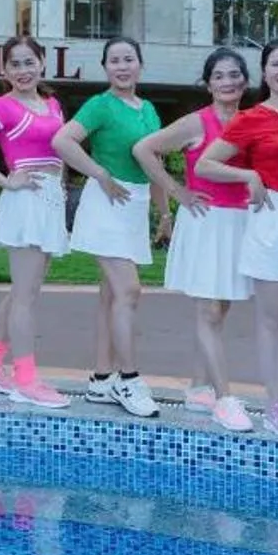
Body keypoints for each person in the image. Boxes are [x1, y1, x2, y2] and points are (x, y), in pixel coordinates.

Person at [193, 40, 278, 440]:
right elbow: (206, 164)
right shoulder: (252, 118)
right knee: (271, 318)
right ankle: (273, 405)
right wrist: (248, 176)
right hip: (273, 219)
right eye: (276, 64)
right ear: (265, 72)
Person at [139, 48, 255, 430]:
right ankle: (225, 397)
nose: (228, 81)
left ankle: (198, 387)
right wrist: (177, 193)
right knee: (208, 311)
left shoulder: (251, 121)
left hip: (241, 223)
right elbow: (144, 149)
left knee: (220, 311)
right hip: (206, 222)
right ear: (209, 83)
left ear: (245, 80)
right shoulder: (196, 122)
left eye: (235, 74)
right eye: (219, 75)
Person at [0, 37, 71, 409]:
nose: (23, 71)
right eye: (15, 64)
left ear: (42, 63)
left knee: (25, 291)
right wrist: (6, 180)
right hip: (24, 203)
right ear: (4, 71)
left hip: (49, 201)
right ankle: (25, 378)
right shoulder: (2, 106)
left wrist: (62, 189)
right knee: (25, 296)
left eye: (29, 62)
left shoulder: (53, 105)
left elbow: (61, 151)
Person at [55, 37, 163, 419]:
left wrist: (163, 212)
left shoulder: (148, 109)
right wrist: (99, 173)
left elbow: (155, 164)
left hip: (135, 206)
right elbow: (62, 141)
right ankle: (127, 379)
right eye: (114, 60)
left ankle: (101, 379)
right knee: (129, 290)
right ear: (105, 67)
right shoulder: (100, 105)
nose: (122, 66)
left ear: (140, 65)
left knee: (110, 296)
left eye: (128, 59)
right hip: (106, 205)